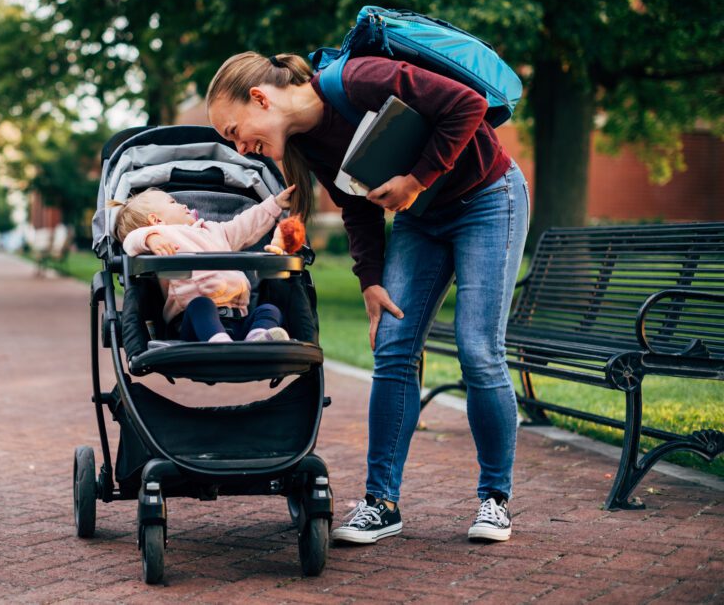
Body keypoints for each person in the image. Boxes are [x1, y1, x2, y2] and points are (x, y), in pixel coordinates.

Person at [206, 51, 529, 544]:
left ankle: (494, 500)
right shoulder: (309, 142)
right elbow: (356, 202)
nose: (243, 149)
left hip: (487, 197)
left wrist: (417, 179)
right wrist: (371, 281)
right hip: (420, 220)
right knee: (394, 347)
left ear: (259, 97)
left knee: (478, 350)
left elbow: (467, 104)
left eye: (234, 132)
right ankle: (382, 503)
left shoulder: (358, 80)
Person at [111, 187, 295, 342]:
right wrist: (150, 238)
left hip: (238, 318)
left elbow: (245, 225)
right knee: (201, 305)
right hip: (190, 323)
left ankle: (257, 338)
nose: (183, 204)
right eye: (172, 203)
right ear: (156, 220)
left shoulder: (214, 230)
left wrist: (275, 204)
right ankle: (218, 342)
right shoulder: (162, 236)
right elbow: (130, 240)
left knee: (269, 310)